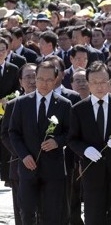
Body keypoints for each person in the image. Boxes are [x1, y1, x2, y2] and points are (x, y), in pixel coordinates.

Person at [68, 61, 111, 225]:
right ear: (88, 83)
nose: (99, 86)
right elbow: (72, 139)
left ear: (110, 82)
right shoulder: (79, 109)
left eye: (103, 82)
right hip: (92, 174)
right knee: (93, 218)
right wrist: (85, 150)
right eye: (94, 82)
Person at [9, 61, 72, 224]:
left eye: (49, 79)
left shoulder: (64, 104)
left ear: (56, 79)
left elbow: (71, 133)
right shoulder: (22, 103)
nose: (44, 83)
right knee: (27, 213)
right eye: (40, 79)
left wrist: (57, 142)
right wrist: (23, 155)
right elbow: (13, 132)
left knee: (52, 215)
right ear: (35, 79)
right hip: (28, 167)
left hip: (53, 169)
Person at [1, 63, 37, 225]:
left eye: (35, 76)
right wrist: (22, 154)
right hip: (19, 165)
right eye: (28, 77)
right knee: (22, 213)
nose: (32, 80)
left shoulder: (53, 103)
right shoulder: (13, 104)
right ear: (20, 82)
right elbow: (6, 134)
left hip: (48, 166)